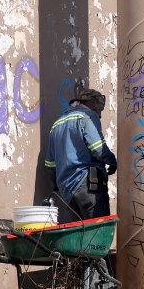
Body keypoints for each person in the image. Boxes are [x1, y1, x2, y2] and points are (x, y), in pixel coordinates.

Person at [44, 87, 117, 219]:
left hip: (67, 190)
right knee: (97, 231)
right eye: (99, 107)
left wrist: (58, 187)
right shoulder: (87, 116)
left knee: (78, 235)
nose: (99, 113)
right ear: (93, 102)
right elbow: (98, 148)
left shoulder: (57, 124)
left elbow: (50, 165)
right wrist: (112, 161)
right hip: (87, 185)